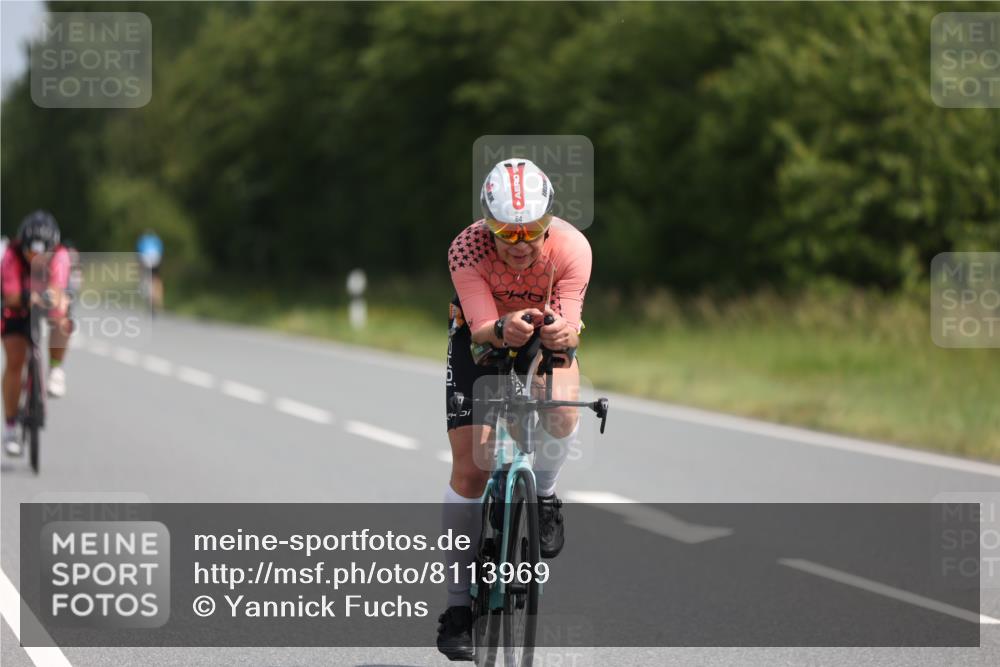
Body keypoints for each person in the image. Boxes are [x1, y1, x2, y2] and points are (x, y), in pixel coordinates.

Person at [437, 159, 592, 660]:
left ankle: (543, 495)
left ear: (550, 220)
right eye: (506, 232)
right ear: (488, 225)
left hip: (541, 334)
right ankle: (458, 609)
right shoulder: (467, 247)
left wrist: (562, 331)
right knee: (471, 469)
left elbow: (570, 324)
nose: (520, 243)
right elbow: (483, 327)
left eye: (532, 230)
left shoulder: (572, 247)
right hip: (481, 337)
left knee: (562, 411)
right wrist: (503, 328)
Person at [1, 211, 72, 455]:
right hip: (15, 306)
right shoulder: (10, 254)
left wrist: (51, 298)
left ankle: (55, 369)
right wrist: (27, 298)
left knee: (62, 319)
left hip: (44, 301)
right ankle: (10, 428)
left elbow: (57, 290)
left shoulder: (61, 255)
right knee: (15, 361)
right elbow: (10, 296)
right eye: (30, 252)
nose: (35, 258)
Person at [136, 230, 164, 311]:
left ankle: (144, 289)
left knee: (144, 275)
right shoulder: (157, 240)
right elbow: (161, 252)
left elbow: (138, 254)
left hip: (145, 258)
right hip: (156, 258)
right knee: (156, 278)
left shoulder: (142, 240)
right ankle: (158, 298)